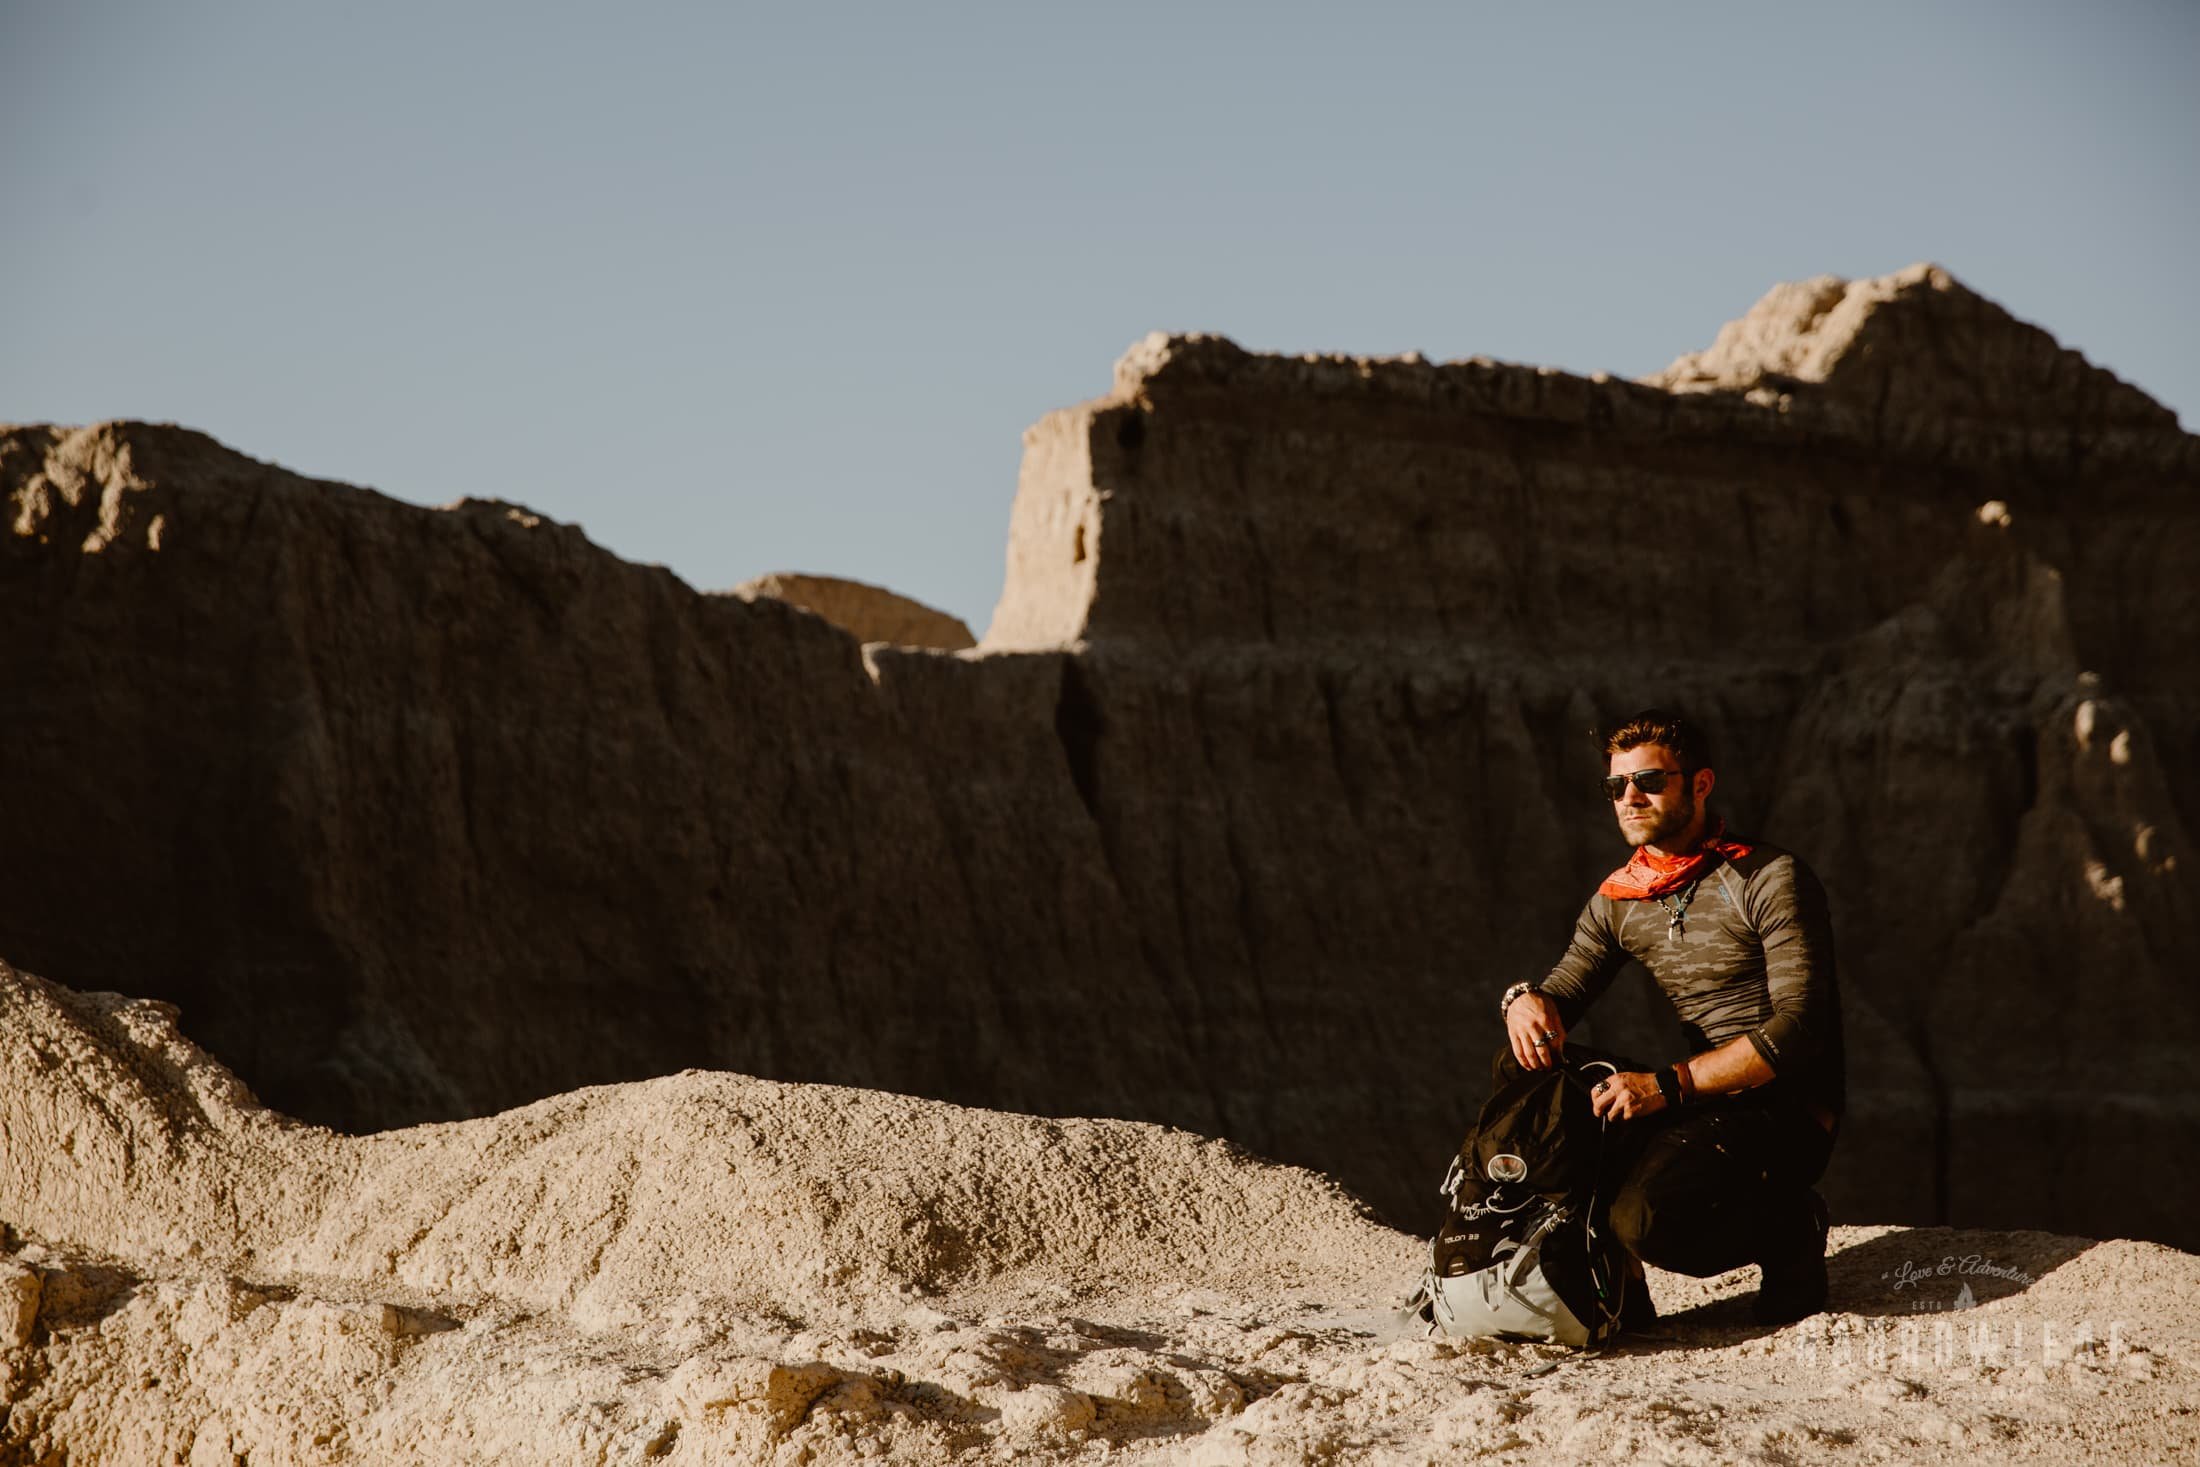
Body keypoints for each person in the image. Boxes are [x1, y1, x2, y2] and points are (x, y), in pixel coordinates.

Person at [1497, 709, 1845, 1326]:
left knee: (1647, 1223)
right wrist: (1521, 1000)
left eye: (1650, 781)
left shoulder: (1767, 876)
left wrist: (1663, 1088)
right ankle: (1611, 1285)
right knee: (1526, 1066)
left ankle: (1792, 1227)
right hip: (1695, 1100)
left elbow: (1798, 1030)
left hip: (1782, 1108)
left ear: (1700, 784)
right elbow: (1561, 996)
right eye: (1616, 786)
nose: (1629, 798)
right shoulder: (1621, 898)